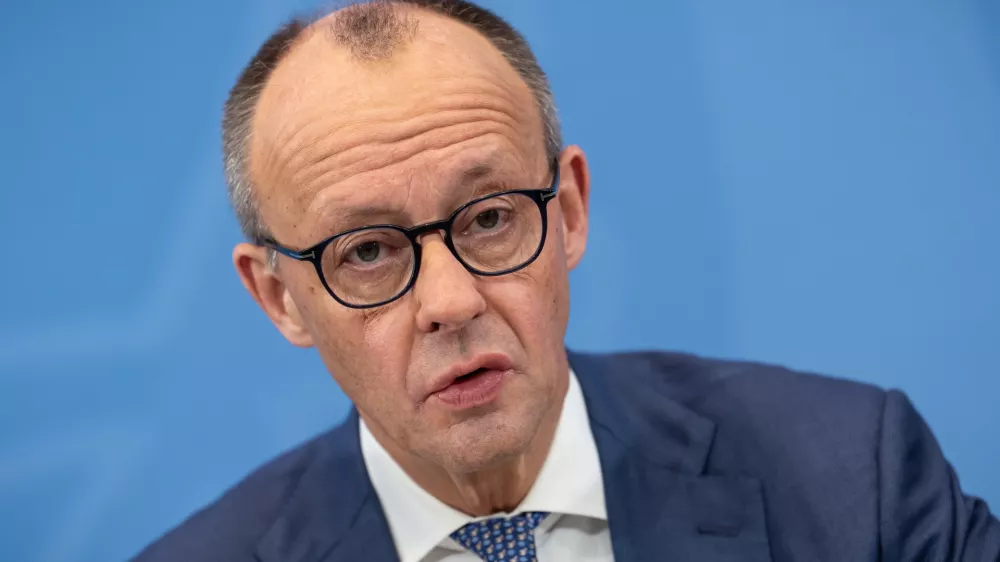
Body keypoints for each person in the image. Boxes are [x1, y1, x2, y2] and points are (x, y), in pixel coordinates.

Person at [132, 1, 1000, 560]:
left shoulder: (859, 480)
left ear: (571, 211)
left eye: (490, 217)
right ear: (280, 297)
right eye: (367, 252)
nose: (452, 301)